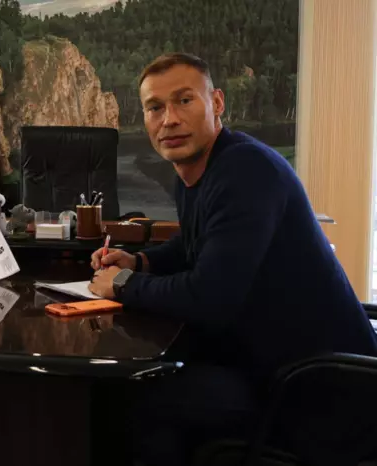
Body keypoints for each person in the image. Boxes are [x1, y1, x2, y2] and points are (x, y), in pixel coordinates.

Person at [88, 53, 377, 465]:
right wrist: (139, 263)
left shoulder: (247, 169)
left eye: (184, 100)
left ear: (217, 102)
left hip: (317, 393)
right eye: (155, 107)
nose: (169, 119)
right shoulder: (198, 171)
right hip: (267, 364)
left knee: (131, 397)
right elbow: (192, 247)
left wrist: (121, 284)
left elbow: (209, 297)